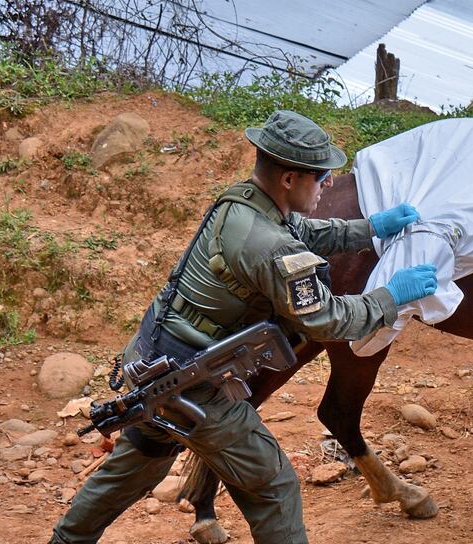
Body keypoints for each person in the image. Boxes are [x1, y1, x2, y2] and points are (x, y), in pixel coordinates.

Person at [49, 110, 438, 544]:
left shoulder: (242, 202)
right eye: (322, 175)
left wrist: (370, 229)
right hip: (194, 387)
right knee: (274, 488)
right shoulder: (270, 247)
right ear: (290, 178)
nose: (329, 183)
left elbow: (303, 232)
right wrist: (390, 296)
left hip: (155, 362)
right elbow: (327, 321)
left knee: (139, 463)